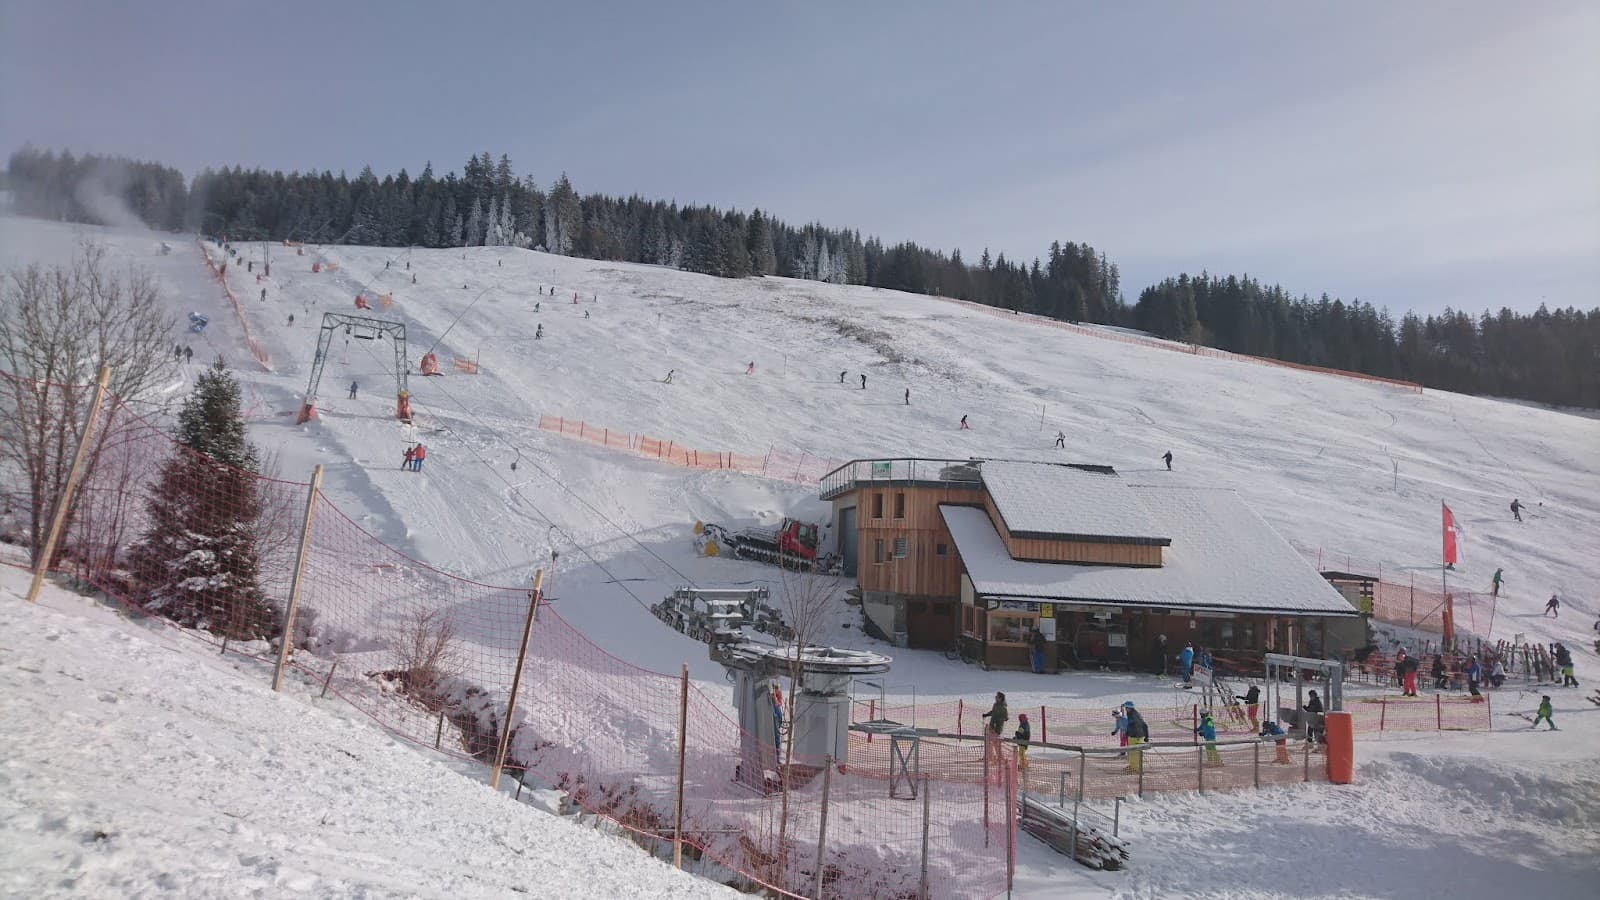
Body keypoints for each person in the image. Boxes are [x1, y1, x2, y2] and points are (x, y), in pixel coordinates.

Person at [981, 692, 1008, 771]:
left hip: (997, 728)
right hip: (991, 726)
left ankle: (1001, 759)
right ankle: (990, 757)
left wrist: (999, 721)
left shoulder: (1003, 708)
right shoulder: (995, 705)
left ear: (1000, 698)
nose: (995, 697)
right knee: (989, 743)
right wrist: (986, 714)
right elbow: (993, 712)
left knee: (996, 744)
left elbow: (1006, 717)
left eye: (997, 696)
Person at [1122, 701, 1149, 772]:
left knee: (1135, 753)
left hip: (1137, 737)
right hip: (1131, 736)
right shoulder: (1130, 714)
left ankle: (1136, 768)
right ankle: (1132, 766)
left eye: (1126, 708)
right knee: (1131, 752)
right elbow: (1130, 725)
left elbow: (1144, 725)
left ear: (1129, 708)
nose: (1125, 709)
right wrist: (1127, 733)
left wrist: (1146, 736)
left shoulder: (1135, 716)